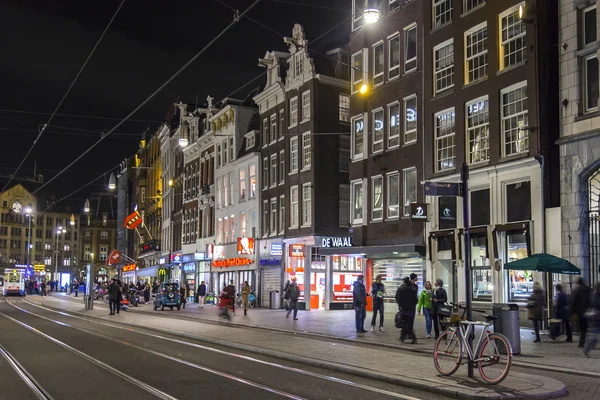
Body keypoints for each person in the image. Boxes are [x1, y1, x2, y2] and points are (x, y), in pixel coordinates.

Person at [396, 274, 419, 343]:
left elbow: (397, 297)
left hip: (403, 309)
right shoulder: (412, 289)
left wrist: (400, 305)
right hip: (410, 309)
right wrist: (412, 305)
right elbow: (415, 299)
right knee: (409, 323)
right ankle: (404, 337)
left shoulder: (401, 288)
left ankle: (403, 337)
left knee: (404, 323)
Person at [571, 277, 591, 348]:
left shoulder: (576, 291)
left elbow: (573, 302)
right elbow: (590, 300)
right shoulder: (588, 290)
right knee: (584, 327)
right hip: (587, 311)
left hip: (579, 312)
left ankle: (581, 342)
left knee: (581, 327)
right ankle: (583, 340)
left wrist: (572, 312)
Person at [583, 282, 600, 357]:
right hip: (595, 318)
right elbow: (595, 304)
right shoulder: (595, 295)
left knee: (594, 337)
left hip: (595, 318)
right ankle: (586, 350)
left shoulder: (593, 294)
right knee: (593, 338)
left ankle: (586, 350)